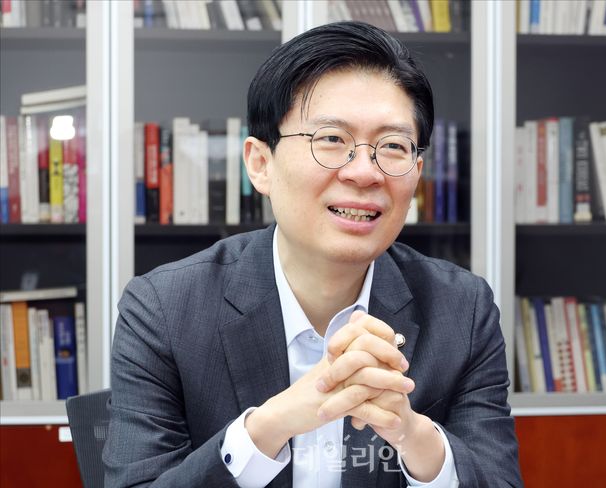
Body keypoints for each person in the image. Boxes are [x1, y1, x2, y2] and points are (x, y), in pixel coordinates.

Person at [103, 21, 522, 488]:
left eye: (392, 147)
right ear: (260, 164)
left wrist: (414, 435)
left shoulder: (462, 309)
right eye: (332, 139)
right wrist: (268, 428)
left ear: (417, 172)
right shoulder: (165, 308)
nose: (364, 172)